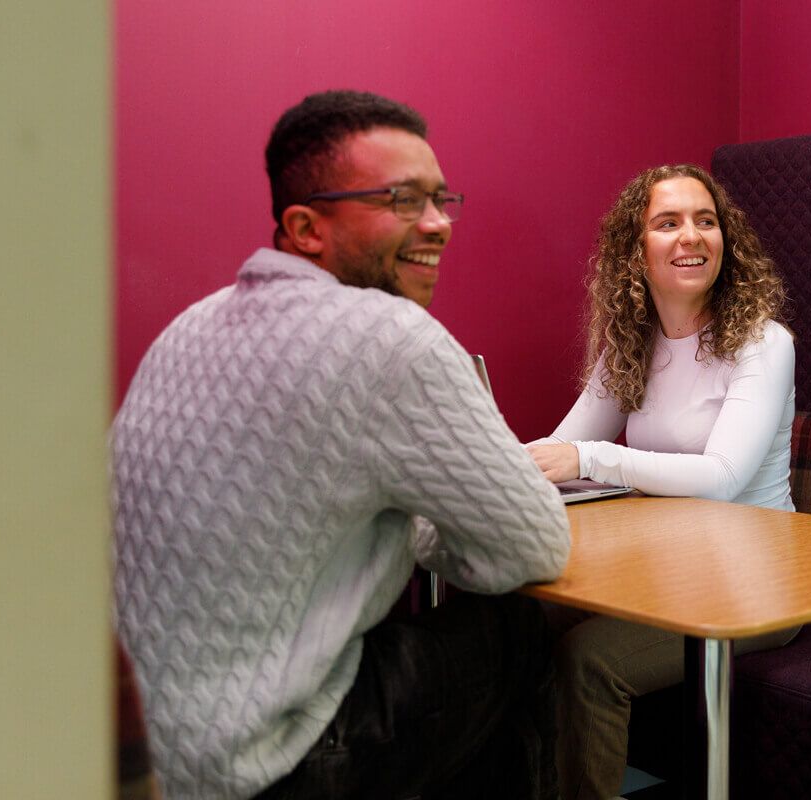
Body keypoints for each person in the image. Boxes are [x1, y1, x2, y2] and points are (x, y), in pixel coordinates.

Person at [113, 90, 571, 800]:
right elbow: (534, 546)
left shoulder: (190, 324)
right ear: (304, 227)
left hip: (139, 750)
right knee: (514, 628)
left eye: (441, 198)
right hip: (259, 763)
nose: (439, 224)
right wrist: (419, 526)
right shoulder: (391, 338)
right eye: (402, 200)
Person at [527, 164, 797, 799]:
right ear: (635, 251)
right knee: (519, 616)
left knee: (590, 659)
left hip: (760, 582)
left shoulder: (764, 343)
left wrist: (593, 459)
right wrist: (483, 470)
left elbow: (722, 479)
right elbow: (562, 449)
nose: (691, 236)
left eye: (706, 222)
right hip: (665, 570)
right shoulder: (633, 344)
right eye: (667, 223)